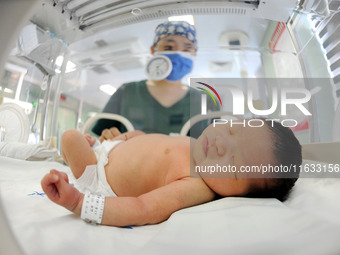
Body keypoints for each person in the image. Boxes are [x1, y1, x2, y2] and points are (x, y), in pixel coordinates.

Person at [41, 120, 301, 227]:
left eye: (233, 163)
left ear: (239, 195)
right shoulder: (194, 143)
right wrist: (122, 138)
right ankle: (88, 147)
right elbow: (149, 139)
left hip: (98, 177)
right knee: (89, 138)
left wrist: (79, 203)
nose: (222, 143)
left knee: (70, 137)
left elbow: (142, 208)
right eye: (233, 129)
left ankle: (75, 156)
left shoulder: (196, 185)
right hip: (110, 148)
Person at [92, 20, 220, 139]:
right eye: (169, 48)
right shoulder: (127, 92)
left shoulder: (206, 101)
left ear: (194, 54)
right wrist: (107, 140)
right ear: (153, 50)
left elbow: (219, 146)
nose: (178, 54)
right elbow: (103, 138)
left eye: (187, 49)